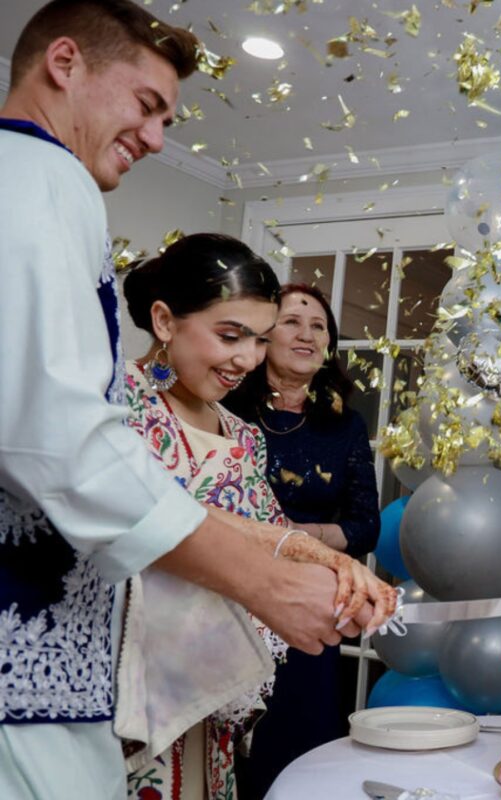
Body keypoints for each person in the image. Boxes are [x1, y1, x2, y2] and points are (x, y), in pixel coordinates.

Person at [0, 3, 376, 797]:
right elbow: (60, 445)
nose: (158, 138)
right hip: (33, 661)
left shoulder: (244, 435)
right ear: (64, 64)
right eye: (145, 105)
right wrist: (264, 582)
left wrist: (310, 561)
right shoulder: (39, 176)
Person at [118, 233, 395, 800]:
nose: (247, 358)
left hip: (206, 691)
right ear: (165, 321)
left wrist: (339, 571)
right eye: (230, 335)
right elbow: (159, 514)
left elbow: (268, 532)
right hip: (119, 687)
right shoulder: (116, 401)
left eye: (258, 339)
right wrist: (316, 554)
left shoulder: (242, 435)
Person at [225, 284, 382, 799]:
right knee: (233, 741)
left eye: (319, 326)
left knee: (302, 741)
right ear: (263, 336)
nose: (307, 334)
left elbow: (365, 525)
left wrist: (302, 538)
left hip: (311, 604)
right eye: (292, 321)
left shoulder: (344, 426)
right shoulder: (226, 410)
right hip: (230, 595)